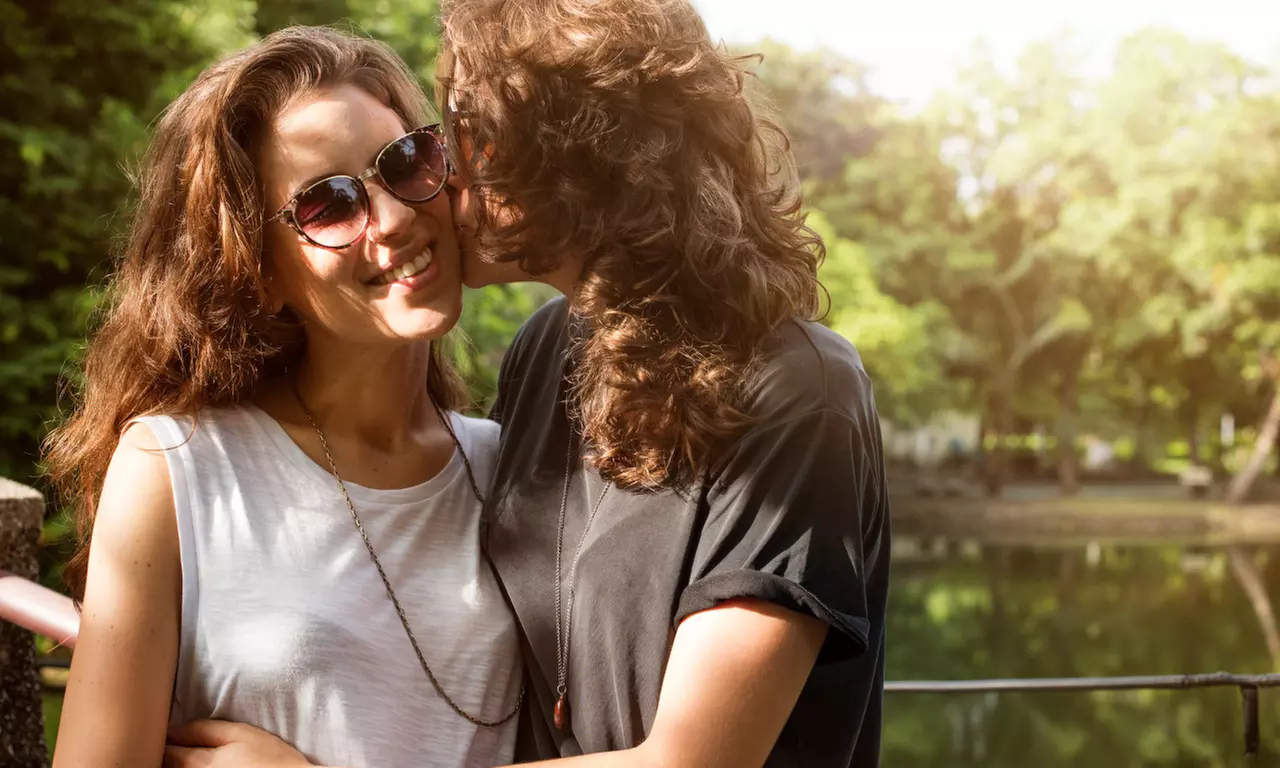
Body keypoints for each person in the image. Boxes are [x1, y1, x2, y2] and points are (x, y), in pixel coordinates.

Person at [166, 0, 891, 765]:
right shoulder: (549, 352)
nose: (443, 173)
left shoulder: (798, 393)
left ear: (577, 159)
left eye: (468, 135)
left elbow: (692, 760)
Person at [44, 26, 522, 768]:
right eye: (329, 205)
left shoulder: (514, 468)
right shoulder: (181, 469)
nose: (395, 218)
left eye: (405, 161)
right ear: (257, 271)